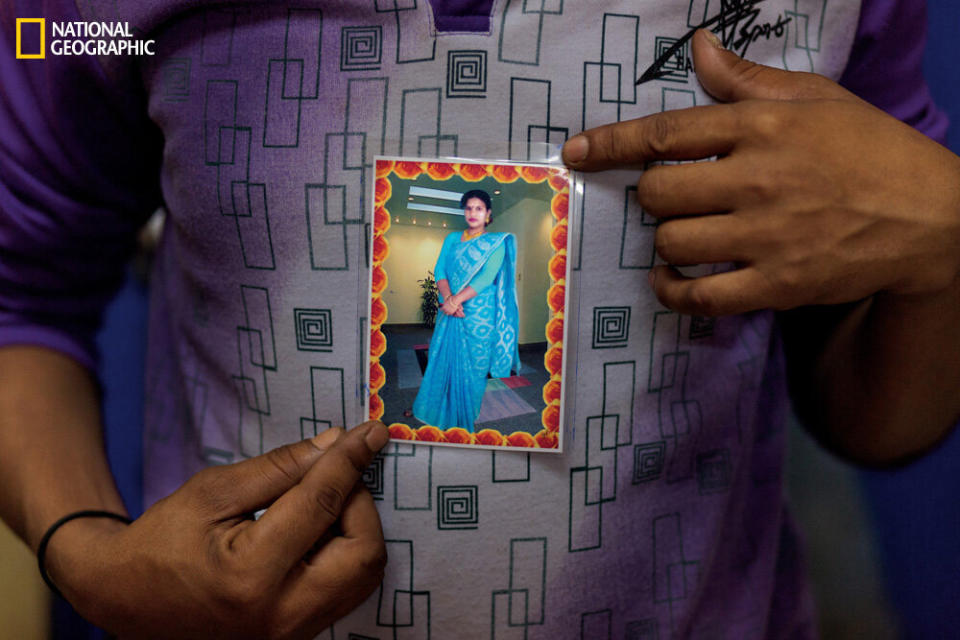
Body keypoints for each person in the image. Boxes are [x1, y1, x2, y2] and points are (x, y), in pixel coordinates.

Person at [1, 1, 958, 638]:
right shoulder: (93, 25)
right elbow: (19, 290)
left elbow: (874, 419)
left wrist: (944, 232)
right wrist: (84, 555)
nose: (468, 217)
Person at [412, 190, 521, 431]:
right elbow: (440, 270)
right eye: (469, 208)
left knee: (475, 367)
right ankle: (436, 412)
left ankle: (466, 416)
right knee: (442, 359)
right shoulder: (452, 239)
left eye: (479, 208)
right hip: (452, 311)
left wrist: (454, 301)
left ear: (488, 214)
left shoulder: (495, 244)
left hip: (480, 314)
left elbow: (486, 278)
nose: (473, 213)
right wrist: (449, 300)